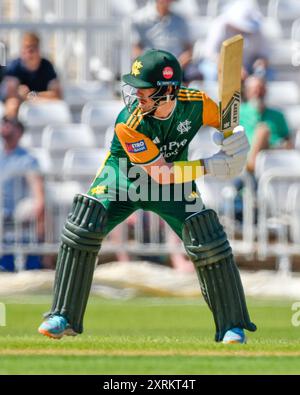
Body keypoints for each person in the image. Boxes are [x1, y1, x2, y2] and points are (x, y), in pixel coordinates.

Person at [38, 49, 256, 344]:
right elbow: (161, 173)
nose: (136, 94)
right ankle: (62, 315)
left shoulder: (196, 103)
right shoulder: (129, 123)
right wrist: (210, 165)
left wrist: (237, 143)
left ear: (168, 91)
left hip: (174, 186)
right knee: (83, 226)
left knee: (209, 240)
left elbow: (227, 127)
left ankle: (232, 325)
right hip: (123, 180)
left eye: (145, 89)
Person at [0, 117, 45, 271]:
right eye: (3, 123)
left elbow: (38, 191)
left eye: (9, 123)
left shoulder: (28, 159)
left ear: (19, 132)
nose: (5, 126)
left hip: (18, 214)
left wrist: (39, 209)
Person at [195, 1, 271, 81]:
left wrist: (260, 64)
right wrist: (232, 67)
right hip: (219, 66)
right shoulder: (220, 26)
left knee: (267, 74)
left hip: (248, 68)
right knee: (212, 72)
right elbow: (210, 53)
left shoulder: (257, 31)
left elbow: (264, 55)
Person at [131, 0, 197, 83]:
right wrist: (149, 66)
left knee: (193, 78)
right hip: (150, 70)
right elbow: (136, 48)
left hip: (177, 70)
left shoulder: (181, 21)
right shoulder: (140, 19)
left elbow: (189, 50)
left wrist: (175, 67)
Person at [2, 32, 62, 118]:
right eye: (26, 47)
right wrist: (20, 94)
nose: (29, 52)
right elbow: (10, 95)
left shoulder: (47, 66)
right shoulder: (14, 66)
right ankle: (10, 129)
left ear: (38, 49)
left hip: (41, 103)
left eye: (33, 48)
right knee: (12, 104)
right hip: (20, 103)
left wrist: (32, 95)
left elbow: (57, 94)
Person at [240, 75, 292, 173]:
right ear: (247, 92)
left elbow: (287, 141)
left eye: (261, 89)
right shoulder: (239, 113)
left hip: (275, 155)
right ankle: (252, 170)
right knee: (262, 130)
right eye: (255, 90)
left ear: (266, 91)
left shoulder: (278, 115)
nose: (258, 93)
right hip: (248, 154)